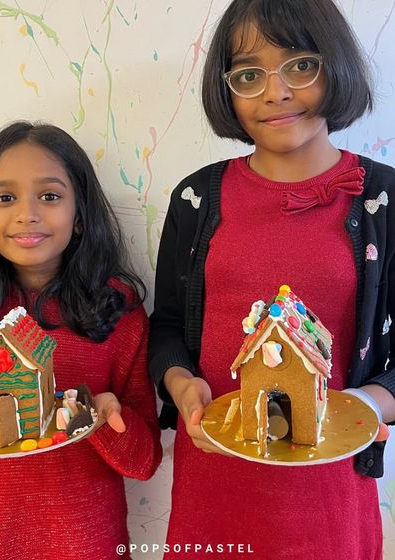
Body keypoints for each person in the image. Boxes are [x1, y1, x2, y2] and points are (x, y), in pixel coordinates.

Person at [149, 1, 395, 559]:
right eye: (249, 74)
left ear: (337, 67)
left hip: (330, 493)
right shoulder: (196, 198)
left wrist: (367, 405)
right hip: (215, 479)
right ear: (227, 89)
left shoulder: (384, 198)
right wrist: (182, 386)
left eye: (300, 65)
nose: (276, 91)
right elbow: (165, 326)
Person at [0, 121, 162, 560]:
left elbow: (145, 462)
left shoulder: (118, 314)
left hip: (86, 543)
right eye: (5, 198)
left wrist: (104, 417)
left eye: (50, 196)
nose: (27, 213)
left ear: (80, 217)